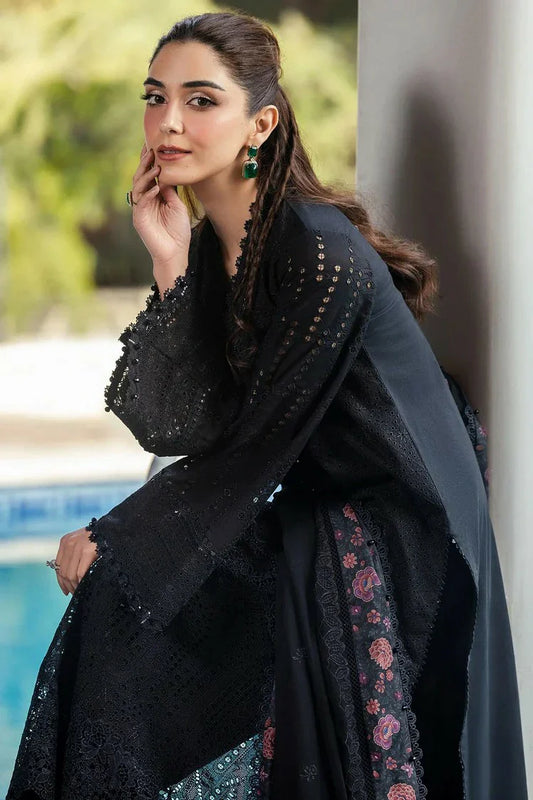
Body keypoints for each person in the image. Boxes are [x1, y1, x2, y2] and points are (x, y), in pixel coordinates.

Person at [7, 11, 528, 800]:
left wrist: (114, 533)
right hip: (307, 492)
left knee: (131, 598)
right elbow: (181, 425)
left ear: (261, 124)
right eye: (155, 97)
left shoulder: (314, 247)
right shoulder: (216, 245)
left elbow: (259, 440)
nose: (168, 121)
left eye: (200, 100)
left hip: (393, 515)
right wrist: (170, 263)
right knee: (127, 608)